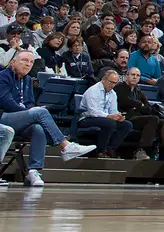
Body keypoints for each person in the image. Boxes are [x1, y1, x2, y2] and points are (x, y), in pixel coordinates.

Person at [0, 48, 96, 184]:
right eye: (24, 60)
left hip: (20, 120)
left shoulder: (27, 80)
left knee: (38, 128)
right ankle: (66, 146)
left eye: (31, 62)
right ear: (13, 62)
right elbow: (6, 102)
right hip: (4, 118)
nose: (28, 64)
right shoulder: (3, 77)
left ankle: (33, 171)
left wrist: (30, 111)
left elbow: (29, 102)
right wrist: (30, 112)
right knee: (40, 112)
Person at [76, 66, 135, 157]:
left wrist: (118, 116)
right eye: (111, 82)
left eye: (115, 83)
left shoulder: (113, 93)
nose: (112, 85)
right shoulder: (93, 91)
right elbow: (93, 112)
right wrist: (109, 116)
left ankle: (110, 149)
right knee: (109, 123)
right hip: (86, 118)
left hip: (104, 118)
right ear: (104, 79)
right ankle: (101, 150)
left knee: (127, 125)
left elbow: (113, 110)